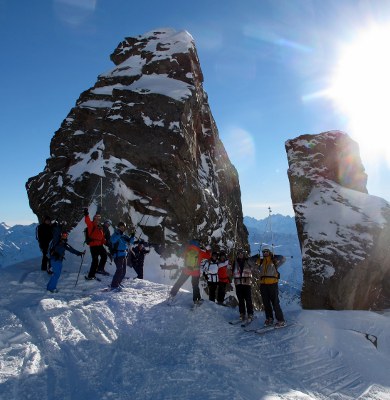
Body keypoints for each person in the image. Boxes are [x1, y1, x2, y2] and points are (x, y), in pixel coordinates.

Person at [170, 240, 211, 304]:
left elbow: (179, 254)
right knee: (195, 286)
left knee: (179, 282)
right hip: (195, 272)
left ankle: (172, 294)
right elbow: (208, 256)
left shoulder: (187, 250)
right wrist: (208, 249)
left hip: (186, 270)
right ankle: (196, 300)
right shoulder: (200, 252)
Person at [257, 247, 285, 327]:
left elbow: (283, 259)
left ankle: (281, 320)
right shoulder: (261, 262)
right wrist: (256, 257)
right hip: (263, 285)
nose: (265, 253)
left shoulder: (274, 261)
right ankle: (269, 318)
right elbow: (250, 262)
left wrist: (275, 256)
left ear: (269, 252)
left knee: (275, 302)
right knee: (266, 303)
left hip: (273, 284)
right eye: (264, 252)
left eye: (266, 252)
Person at [109, 222, 135, 290]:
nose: (122, 228)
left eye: (123, 227)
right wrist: (119, 234)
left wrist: (132, 236)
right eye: (121, 227)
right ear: (118, 227)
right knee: (119, 270)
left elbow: (130, 242)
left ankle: (118, 283)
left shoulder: (124, 235)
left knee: (123, 271)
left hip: (124, 254)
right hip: (118, 255)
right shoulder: (115, 234)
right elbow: (113, 240)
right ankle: (114, 285)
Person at [84, 208, 108, 279]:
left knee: (104, 255)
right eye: (96, 217)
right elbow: (87, 221)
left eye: (99, 218)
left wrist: (106, 242)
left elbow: (102, 237)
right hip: (93, 245)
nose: (98, 219)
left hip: (100, 245)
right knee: (95, 260)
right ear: (94, 218)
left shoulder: (100, 227)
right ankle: (91, 275)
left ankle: (100, 269)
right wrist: (86, 214)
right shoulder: (91, 225)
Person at [231, 249, 254, 321]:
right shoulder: (235, 262)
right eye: (239, 253)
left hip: (246, 283)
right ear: (237, 254)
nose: (240, 254)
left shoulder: (248, 261)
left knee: (248, 299)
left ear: (244, 254)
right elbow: (231, 272)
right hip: (238, 283)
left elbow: (254, 265)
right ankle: (242, 313)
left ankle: (250, 314)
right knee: (240, 300)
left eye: (241, 253)